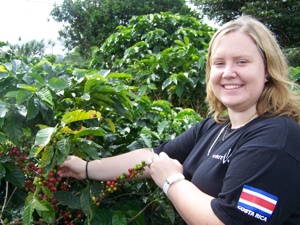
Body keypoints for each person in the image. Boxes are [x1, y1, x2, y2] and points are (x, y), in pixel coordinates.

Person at [58, 15, 300, 224]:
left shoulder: (276, 139)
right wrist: (86, 169)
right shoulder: (214, 128)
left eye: (242, 62)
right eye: (219, 63)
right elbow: (152, 157)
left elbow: (228, 221)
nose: (228, 72)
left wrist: (171, 181)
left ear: (267, 70)